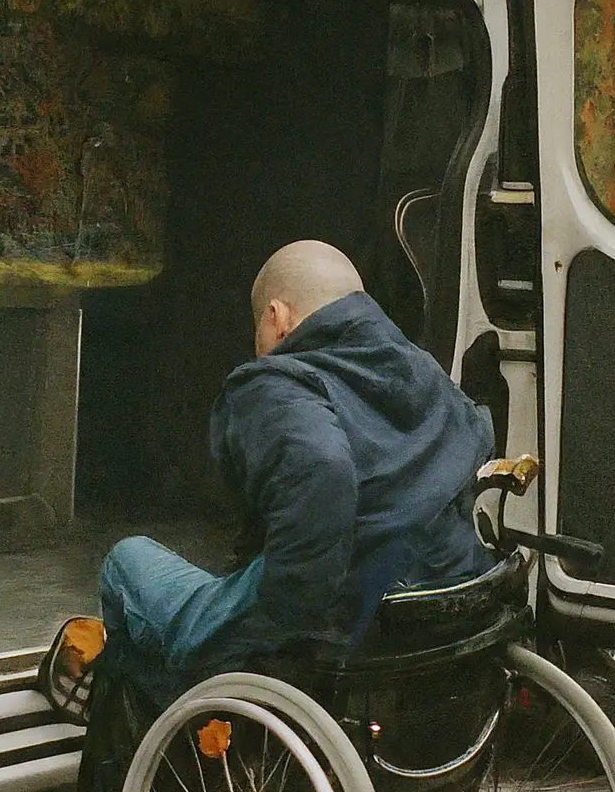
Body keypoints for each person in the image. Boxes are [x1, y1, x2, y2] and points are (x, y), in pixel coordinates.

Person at [94, 239, 495, 703]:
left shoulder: (278, 386)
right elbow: (478, 434)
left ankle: (159, 731)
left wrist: (284, 631)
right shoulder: (421, 369)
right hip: (435, 610)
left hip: (337, 628)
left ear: (276, 318)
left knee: (128, 561)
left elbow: (322, 470)